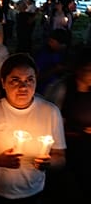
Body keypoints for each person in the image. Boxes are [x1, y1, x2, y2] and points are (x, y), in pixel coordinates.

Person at [0, 53, 66, 203]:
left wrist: (48, 163)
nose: (23, 86)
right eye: (15, 80)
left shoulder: (50, 112)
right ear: (3, 83)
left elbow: (60, 157)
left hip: (31, 193)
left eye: (30, 80)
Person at [43, 45, 91, 202]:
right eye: (87, 69)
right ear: (78, 68)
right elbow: (49, 117)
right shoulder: (62, 89)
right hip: (64, 147)